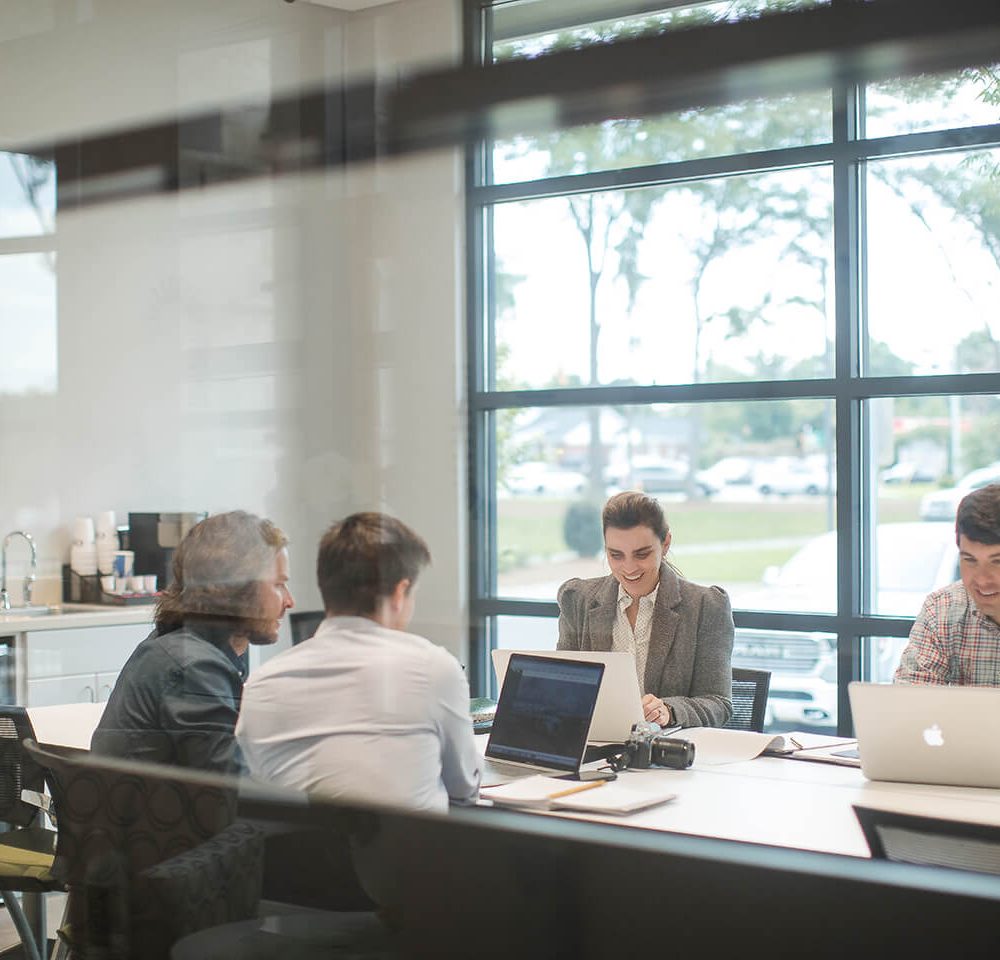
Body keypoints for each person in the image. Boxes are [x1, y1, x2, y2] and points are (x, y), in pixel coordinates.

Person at [236, 511, 480, 812]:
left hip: (295, 857)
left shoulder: (262, 683)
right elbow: (466, 790)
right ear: (400, 593)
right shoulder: (433, 668)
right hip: (409, 855)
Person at [91, 510, 294, 772]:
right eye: (278, 584)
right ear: (238, 587)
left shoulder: (182, 649)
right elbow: (232, 790)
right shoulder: (193, 667)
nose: (289, 601)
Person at [557, 491, 734, 728]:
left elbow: (718, 703)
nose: (629, 568)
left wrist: (668, 710)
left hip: (664, 754)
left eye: (642, 554)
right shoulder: (578, 599)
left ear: (666, 543)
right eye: (615, 555)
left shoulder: (706, 606)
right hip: (594, 747)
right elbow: (561, 686)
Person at [895, 483, 1000, 685]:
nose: (982, 580)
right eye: (970, 560)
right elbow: (909, 702)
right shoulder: (942, 609)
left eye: (997, 562)